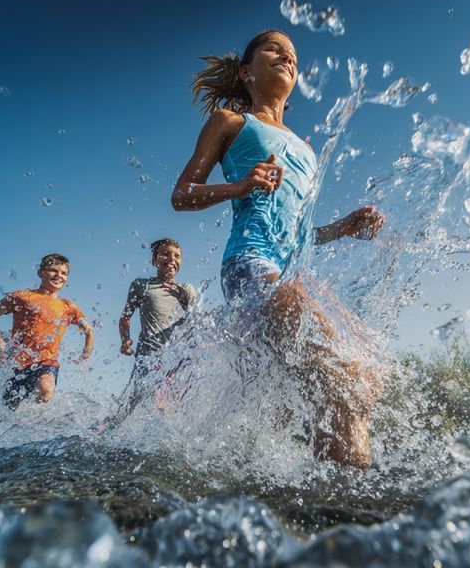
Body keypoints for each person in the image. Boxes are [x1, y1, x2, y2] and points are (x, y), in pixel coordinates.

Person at [170, 29, 385, 469]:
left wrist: (342, 228)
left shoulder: (306, 147)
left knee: (364, 381)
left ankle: (318, 495)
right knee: (342, 380)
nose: (287, 55)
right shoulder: (231, 122)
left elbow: (299, 231)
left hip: (292, 276)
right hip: (250, 266)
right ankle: (349, 511)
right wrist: (239, 185)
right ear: (247, 72)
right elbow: (182, 194)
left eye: (293, 53)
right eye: (274, 48)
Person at [0, 253, 93, 410]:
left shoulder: (68, 307)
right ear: (40, 273)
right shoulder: (22, 297)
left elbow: (89, 329)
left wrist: (86, 352)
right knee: (8, 409)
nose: (59, 276)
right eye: (53, 270)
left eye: (64, 273)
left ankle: (37, 417)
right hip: (16, 363)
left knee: (45, 390)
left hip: (46, 361)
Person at [115, 238, 198, 419]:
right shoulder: (141, 285)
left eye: (177, 256)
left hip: (177, 357)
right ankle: (110, 429)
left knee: (166, 404)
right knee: (134, 402)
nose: (172, 258)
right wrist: (125, 340)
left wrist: (184, 300)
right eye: (165, 254)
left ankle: (167, 442)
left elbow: (197, 321)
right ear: (154, 260)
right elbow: (125, 316)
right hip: (148, 356)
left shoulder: (187, 289)